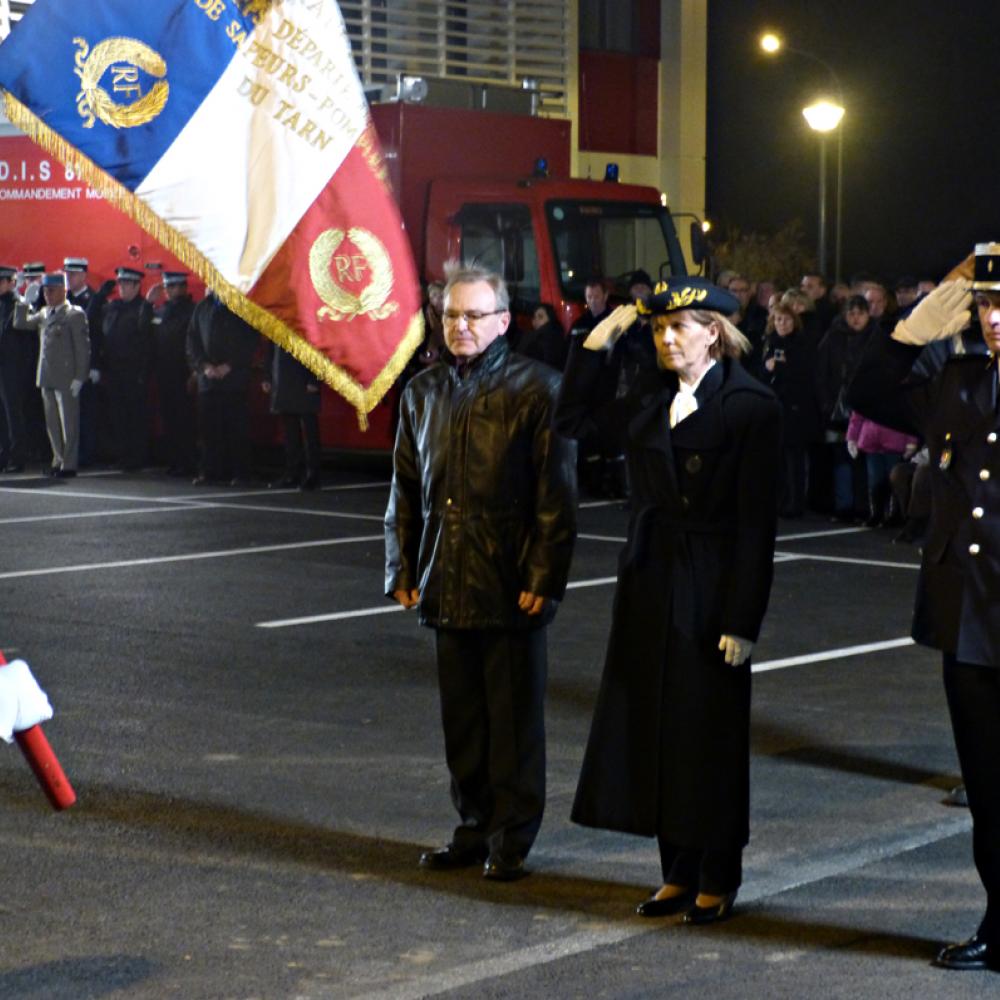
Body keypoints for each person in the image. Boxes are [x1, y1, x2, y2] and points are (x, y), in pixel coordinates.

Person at [556, 276, 781, 924]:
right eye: (657, 328)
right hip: (651, 580)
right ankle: (676, 872)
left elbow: (756, 526)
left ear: (714, 331)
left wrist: (743, 619)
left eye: (679, 327)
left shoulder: (750, 406)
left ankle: (718, 873)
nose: (666, 338)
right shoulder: (652, 400)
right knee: (659, 730)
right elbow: (572, 419)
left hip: (711, 585)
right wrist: (593, 344)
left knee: (707, 735)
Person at [385, 265, 577, 882]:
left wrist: (542, 578)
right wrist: (402, 564)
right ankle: (472, 829)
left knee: (513, 724)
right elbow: (405, 489)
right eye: (451, 315)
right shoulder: (423, 391)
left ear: (503, 321)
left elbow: (557, 498)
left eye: (473, 315)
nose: (460, 326)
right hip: (446, 579)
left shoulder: (540, 389)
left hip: (509, 583)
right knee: (463, 722)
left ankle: (511, 839)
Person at [849, 242, 1000, 973]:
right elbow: (869, 386)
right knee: (987, 791)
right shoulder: (959, 381)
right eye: (989, 305)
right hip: (969, 620)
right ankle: (998, 921)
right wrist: (922, 318)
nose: (996, 319)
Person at [12, 272, 90, 477]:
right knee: (52, 423)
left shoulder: (74, 314)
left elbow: (82, 348)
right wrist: (22, 301)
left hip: (66, 377)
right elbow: (21, 324)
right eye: (45, 291)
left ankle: (69, 463)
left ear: (64, 290)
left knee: (69, 423)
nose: (48, 294)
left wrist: (80, 376)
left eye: (52, 290)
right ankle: (58, 459)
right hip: (46, 375)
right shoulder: (45, 313)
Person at [186, 291, 260, 486]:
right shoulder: (203, 307)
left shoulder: (241, 305)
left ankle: (240, 473)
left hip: (234, 380)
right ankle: (209, 471)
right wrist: (204, 366)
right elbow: (192, 340)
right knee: (208, 430)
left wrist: (230, 365)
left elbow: (250, 341)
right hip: (208, 380)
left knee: (237, 429)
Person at [762, 302, 822, 517]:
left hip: (796, 407)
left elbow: (803, 372)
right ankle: (781, 500)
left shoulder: (801, 343)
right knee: (778, 458)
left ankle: (796, 503)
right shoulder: (771, 342)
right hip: (776, 405)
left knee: (794, 458)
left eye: (786, 319)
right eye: (778, 319)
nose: (782, 324)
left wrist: (779, 366)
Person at [142, 271, 197, 476]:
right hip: (164, 372)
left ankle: (187, 461)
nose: (168, 291)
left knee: (185, 419)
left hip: (183, 371)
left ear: (183, 287)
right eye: (167, 287)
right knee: (169, 418)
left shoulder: (191, 311)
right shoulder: (161, 311)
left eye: (172, 287)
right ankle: (174, 460)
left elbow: (194, 342)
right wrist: (148, 304)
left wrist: (194, 372)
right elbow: (144, 331)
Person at [102, 266, 154, 471]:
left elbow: (147, 342)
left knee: (135, 416)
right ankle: (122, 454)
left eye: (125, 283)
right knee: (118, 415)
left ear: (136, 285)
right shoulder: (113, 307)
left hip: (134, 371)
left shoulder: (143, 308)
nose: (121, 287)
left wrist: (144, 372)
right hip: (114, 370)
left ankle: (136, 457)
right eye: (119, 283)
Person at [262, 343, 322, 490]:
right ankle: (292, 474)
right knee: (290, 433)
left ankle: (312, 474)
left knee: (309, 432)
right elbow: (271, 350)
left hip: (303, 380)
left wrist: (313, 379)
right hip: (283, 380)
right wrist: (267, 376)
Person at [0, 264, 32, 472]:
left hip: (11, 366)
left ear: (12, 283)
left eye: (2, 281)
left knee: (13, 413)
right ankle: (4, 454)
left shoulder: (18, 305)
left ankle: (17, 456)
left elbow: (22, 336)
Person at [513, 302, 568, 371]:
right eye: (534, 317)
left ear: (550, 319)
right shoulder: (530, 335)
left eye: (540, 317)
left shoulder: (551, 338)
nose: (536, 320)